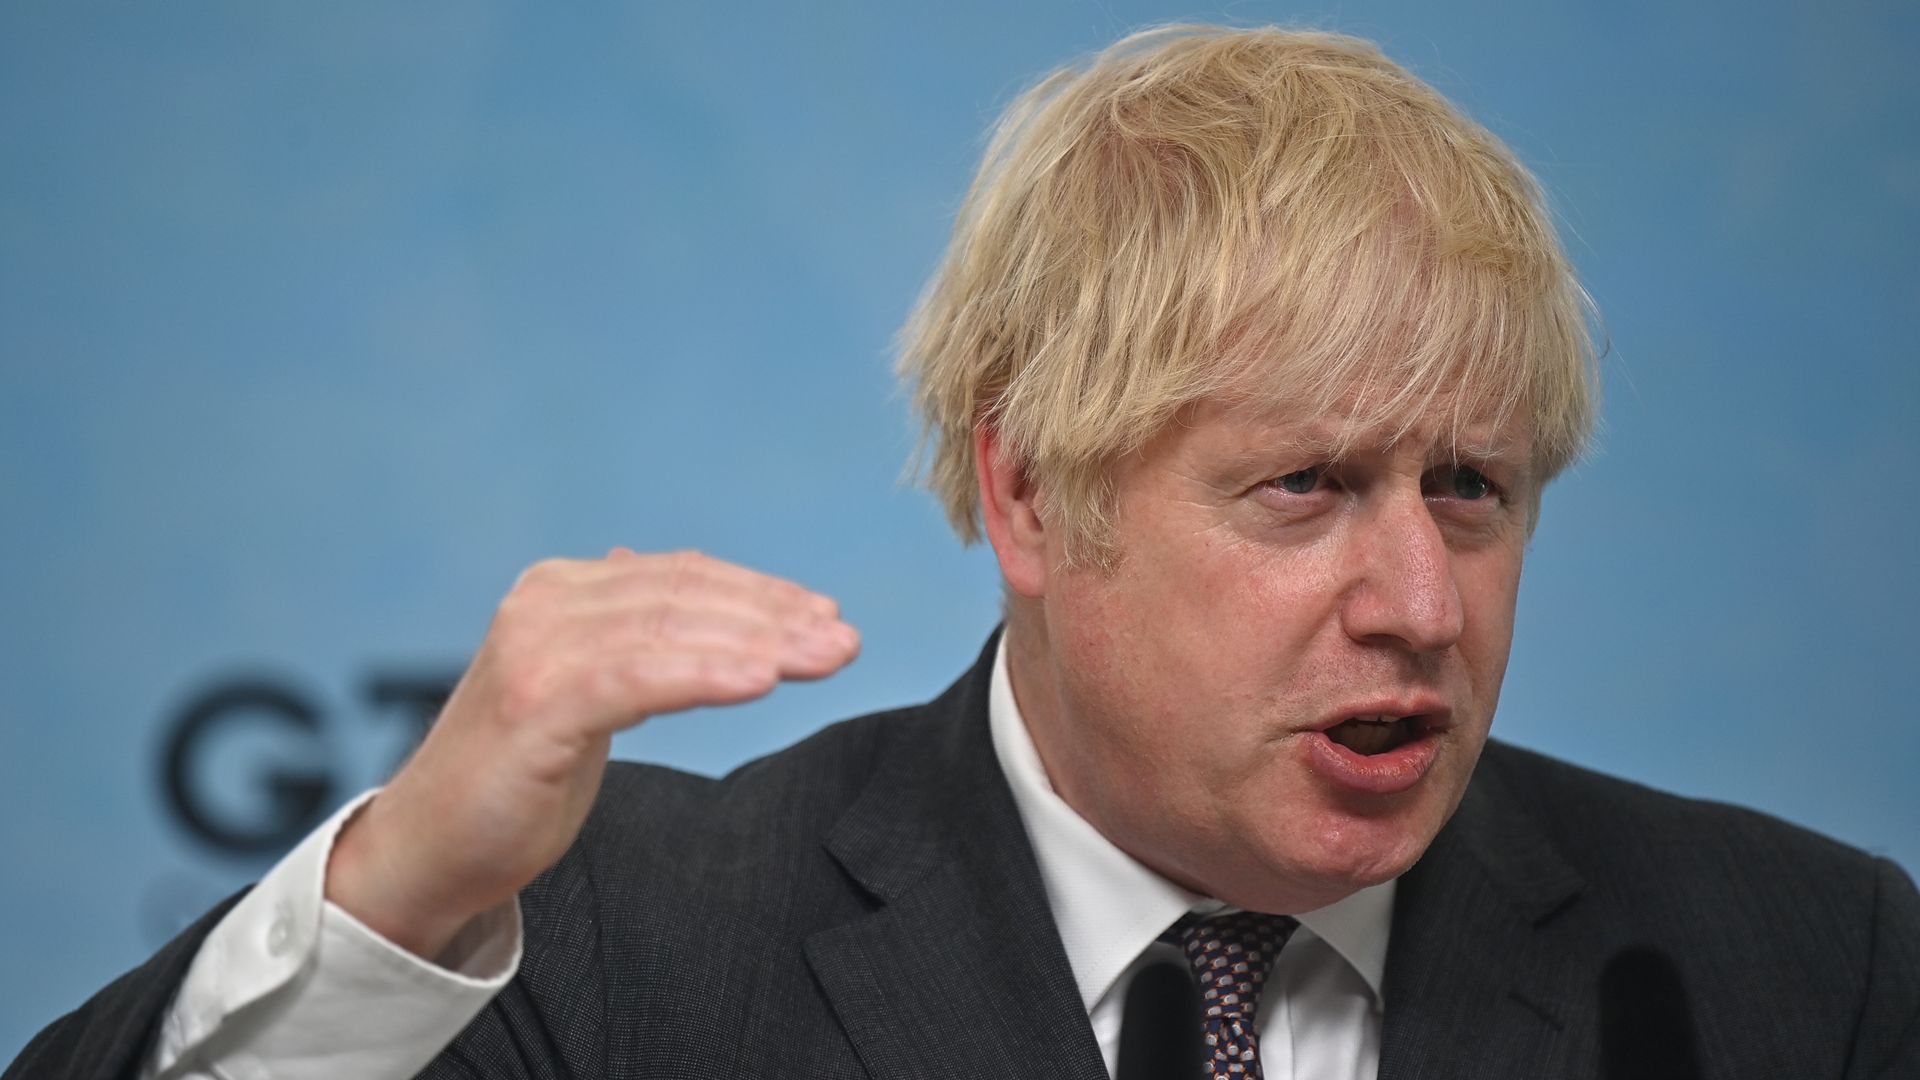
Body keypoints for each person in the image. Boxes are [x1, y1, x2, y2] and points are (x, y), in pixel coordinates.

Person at [10, 24, 1917, 1080]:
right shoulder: (626, 953)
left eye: (1471, 492)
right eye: (1303, 488)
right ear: (1028, 496)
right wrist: (403, 886)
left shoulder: (1802, 968)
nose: (1419, 605)